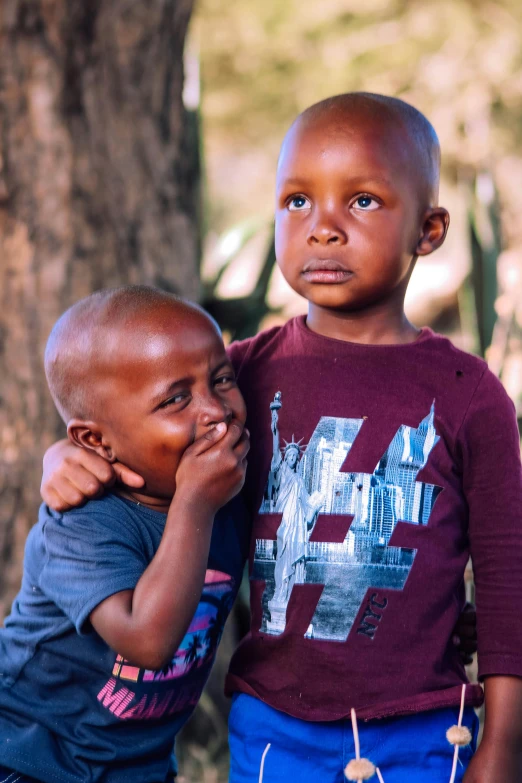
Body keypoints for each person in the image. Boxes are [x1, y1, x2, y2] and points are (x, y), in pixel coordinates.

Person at [39, 93, 522, 782]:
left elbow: (508, 579)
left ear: (430, 228)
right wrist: (63, 455)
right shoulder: (237, 376)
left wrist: (503, 742)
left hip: (423, 727)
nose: (322, 228)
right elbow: (139, 444)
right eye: (297, 201)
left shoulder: (469, 393)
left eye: (361, 201)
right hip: (273, 725)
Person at [0, 287, 250, 783]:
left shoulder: (231, 482)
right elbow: (148, 642)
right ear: (96, 441)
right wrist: (195, 501)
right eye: (175, 399)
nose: (215, 412)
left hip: (137, 768)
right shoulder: (80, 525)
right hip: (29, 759)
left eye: (221, 379)